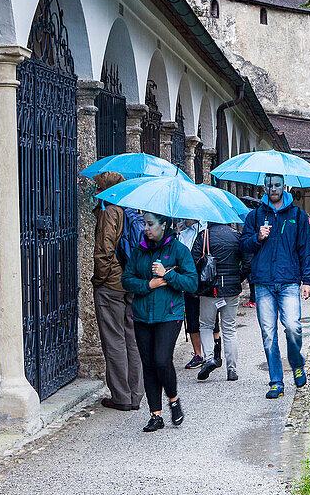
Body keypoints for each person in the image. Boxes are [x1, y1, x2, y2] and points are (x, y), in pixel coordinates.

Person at [122, 212, 198, 432]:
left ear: (164, 225)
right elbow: (126, 280)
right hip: (143, 315)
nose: (146, 228)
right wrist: (148, 285)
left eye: (151, 224)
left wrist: (168, 275)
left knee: (162, 360)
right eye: (144, 224)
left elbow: (192, 283)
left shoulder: (178, 250)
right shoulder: (139, 251)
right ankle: (155, 415)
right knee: (148, 364)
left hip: (169, 314)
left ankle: (173, 400)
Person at [240, 174, 310, 399]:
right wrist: (257, 237)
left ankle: (296, 362)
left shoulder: (298, 215)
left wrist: (308, 281)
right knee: (269, 334)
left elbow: (305, 249)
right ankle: (276, 381)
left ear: (284, 187)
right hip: (263, 282)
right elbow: (243, 245)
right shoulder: (255, 216)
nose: (274, 189)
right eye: (270, 185)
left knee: (293, 327)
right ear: (265, 187)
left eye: (278, 185)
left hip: (289, 281)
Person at [91, 171, 143, 412]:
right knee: (132, 339)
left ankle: (121, 396)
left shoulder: (110, 211)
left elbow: (104, 251)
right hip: (132, 282)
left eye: (98, 185)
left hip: (112, 285)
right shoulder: (133, 210)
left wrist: (100, 280)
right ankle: (136, 393)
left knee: (114, 339)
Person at [192, 222, 243, 381]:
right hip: (231, 289)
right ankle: (232, 369)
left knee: (206, 325)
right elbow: (247, 261)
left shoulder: (203, 236)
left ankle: (208, 359)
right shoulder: (236, 236)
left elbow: (193, 261)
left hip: (209, 289)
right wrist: (237, 279)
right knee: (229, 328)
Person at [176, 219, 218, 369]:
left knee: (211, 316)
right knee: (192, 315)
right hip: (188, 278)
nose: (184, 218)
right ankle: (198, 354)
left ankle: (214, 352)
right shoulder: (181, 233)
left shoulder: (206, 229)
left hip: (204, 278)